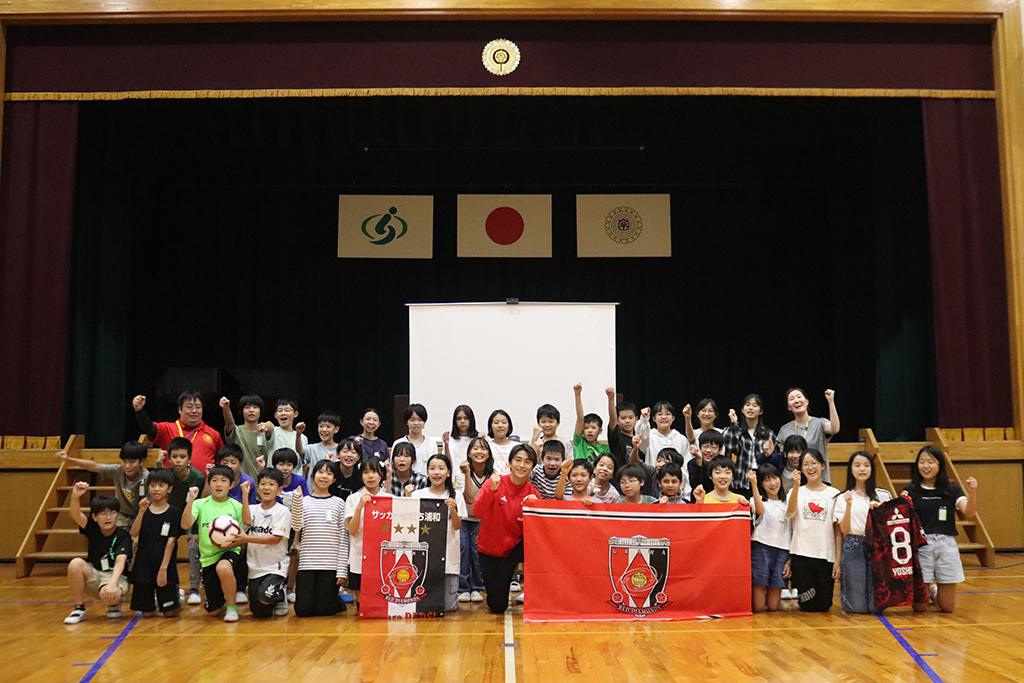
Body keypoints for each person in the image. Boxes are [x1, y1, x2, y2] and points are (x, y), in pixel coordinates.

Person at [902, 445, 979, 613]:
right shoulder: (910, 490)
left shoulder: (952, 490)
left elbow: (969, 512)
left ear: (940, 465)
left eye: (931, 462)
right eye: (921, 462)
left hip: (946, 544)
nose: (925, 466)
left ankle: (934, 591)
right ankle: (927, 590)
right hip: (921, 546)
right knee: (919, 607)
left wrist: (972, 493)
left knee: (947, 607)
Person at [475, 443, 540, 614]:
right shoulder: (494, 483)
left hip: (513, 549)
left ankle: (535, 592)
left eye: (527, 462)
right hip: (489, 549)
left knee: (542, 547)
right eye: (518, 460)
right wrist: (492, 491)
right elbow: (476, 511)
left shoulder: (532, 492)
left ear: (532, 467)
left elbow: (538, 531)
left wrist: (534, 508)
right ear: (509, 463)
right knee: (497, 606)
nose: (521, 465)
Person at [181, 466, 247, 621]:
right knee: (214, 612)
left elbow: (242, 535)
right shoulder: (200, 504)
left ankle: (232, 607)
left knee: (223, 567)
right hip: (208, 557)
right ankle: (223, 597)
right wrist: (191, 499)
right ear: (209, 483)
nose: (218, 484)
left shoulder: (236, 506)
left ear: (231, 485)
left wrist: (227, 544)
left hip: (230, 552)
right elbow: (185, 524)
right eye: (214, 481)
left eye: (223, 481)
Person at [63, 483, 132, 623]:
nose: (108, 517)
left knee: (108, 594)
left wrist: (112, 583)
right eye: (103, 514)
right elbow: (76, 515)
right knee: (75, 564)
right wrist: (75, 496)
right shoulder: (92, 528)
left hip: (116, 576)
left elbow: (120, 561)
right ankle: (79, 608)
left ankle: (114, 604)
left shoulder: (123, 535)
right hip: (95, 573)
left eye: (112, 513)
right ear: (94, 517)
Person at [785, 449, 842, 612]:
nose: (811, 468)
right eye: (806, 464)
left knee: (824, 606)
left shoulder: (834, 494)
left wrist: (838, 560)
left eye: (814, 463)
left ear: (822, 466)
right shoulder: (796, 491)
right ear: (801, 470)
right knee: (807, 605)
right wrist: (796, 486)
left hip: (825, 555)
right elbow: (790, 512)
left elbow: (838, 530)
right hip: (802, 554)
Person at [836, 451, 892, 614]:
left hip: (878, 545)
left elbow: (890, 527)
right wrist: (848, 505)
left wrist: (878, 513)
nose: (862, 469)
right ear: (851, 469)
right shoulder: (843, 496)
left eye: (866, 465)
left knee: (877, 607)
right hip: (853, 545)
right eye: (857, 465)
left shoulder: (883, 495)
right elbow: (844, 530)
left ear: (872, 469)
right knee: (857, 608)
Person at [234, 469, 293, 618]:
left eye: (271, 484)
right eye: (263, 484)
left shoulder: (283, 511)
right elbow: (247, 521)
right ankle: (274, 596)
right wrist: (245, 495)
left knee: (265, 597)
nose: (266, 488)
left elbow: (275, 539)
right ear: (258, 488)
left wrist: (246, 539)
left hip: (275, 567)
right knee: (260, 613)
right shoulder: (253, 509)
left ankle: (280, 595)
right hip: (255, 568)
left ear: (279, 490)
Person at [412, 453, 466, 612]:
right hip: (423, 557)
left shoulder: (456, 496)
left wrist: (453, 510)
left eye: (441, 468)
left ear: (448, 472)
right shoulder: (418, 495)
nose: (437, 472)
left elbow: (457, 526)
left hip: (448, 556)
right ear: (427, 472)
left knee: (448, 608)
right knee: (422, 605)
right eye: (432, 468)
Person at [295, 460, 349, 617]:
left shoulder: (339, 503)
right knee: (303, 611)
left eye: (329, 473)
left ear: (334, 480)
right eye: (321, 472)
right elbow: (296, 526)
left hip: (330, 565)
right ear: (312, 476)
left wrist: (341, 570)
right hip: (307, 564)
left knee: (324, 611)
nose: (324, 476)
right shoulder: (303, 501)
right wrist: (297, 501)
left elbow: (343, 539)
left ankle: (335, 599)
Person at [157, 436, 207, 604]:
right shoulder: (166, 474)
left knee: (194, 548)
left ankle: (194, 588)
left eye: (182, 457)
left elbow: (199, 504)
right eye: (174, 457)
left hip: (190, 517)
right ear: (169, 458)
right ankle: (172, 586)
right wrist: (158, 462)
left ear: (189, 459)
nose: (178, 460)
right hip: (171, 517)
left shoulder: (198, 478)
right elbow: (156, 481)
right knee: (165, 546)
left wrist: (193, 532)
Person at [129, 468, 184, 618]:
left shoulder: (175, 512)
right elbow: (133, 533)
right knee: (146, 613)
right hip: (144, 564)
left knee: (170, 613)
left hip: (165, 563)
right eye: (153, 485)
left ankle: (176, 598)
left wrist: (163, 569)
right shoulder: (142, 509)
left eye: (161, 485)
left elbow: (171, 541)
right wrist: (141, 511)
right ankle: (153, 598)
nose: (156, 489)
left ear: (169, 489)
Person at [57, 442, 148, 528]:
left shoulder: (147, 478)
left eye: (132, 462)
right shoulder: (117, 470)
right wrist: (69, 459)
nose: (127, 466)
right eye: (124, 461)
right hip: (122, 516)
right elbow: (94, 466)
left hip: (142, 516)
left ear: (141, 462)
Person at [133, 391, 223, 473]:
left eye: (198, 407)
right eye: (189, 407)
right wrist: (139, 411)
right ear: (180, 409)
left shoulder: (214, 434)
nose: (194, 411)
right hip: (172, 486)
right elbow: (149, 429)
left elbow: (222, 460)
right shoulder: (168, 428)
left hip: (205, 488)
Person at [345, 459, 392, 605]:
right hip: (360, 554)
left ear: (381, 475)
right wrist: (360, 507)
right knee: (362, 606)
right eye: (366, 472)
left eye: (374, 472)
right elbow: (352, 530)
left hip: (383, 557)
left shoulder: (391, 499)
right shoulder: (353, 499)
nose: (370, 476)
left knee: (382, 602)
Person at [749, 464, 792, 612]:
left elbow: (793, 530)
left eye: (774, 478)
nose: (772, 483)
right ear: (761, 484)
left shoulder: (788, 503)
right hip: (761, 547)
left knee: (774, 607)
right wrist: (753, 485)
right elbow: (760, 511)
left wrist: (790, 559)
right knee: (759, 607)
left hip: (782, 550)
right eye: (766, 480)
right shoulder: (757, 499)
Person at [776, 388, 841, 485]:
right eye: (792, 399)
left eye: (799, 397)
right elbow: (781, 457)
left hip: (819, 479)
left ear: (806, 401)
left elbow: (835, 429)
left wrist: (831, 401)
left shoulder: (819, 423)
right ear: (789, 407)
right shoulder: (784, 429)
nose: (796, 400)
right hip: (792, 481)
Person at [458, 436, 492, 603]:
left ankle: (478, 587)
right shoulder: (461, 472)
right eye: (475, 448)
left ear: (488, 454)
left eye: (483, 448)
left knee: (477, 550)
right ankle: (463, 587)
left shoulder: (494, 475)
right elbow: (469, 498)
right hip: (464, 518)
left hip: (485, 520)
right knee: (464, 548)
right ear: (469, 453)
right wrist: (467, 474)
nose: (479, 451)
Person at [722, 394, 776, 496]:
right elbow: (729, 448)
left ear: (761, 411)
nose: (750, 408)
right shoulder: (733, 430)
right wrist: (733, 424)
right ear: (742, 410)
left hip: (761, 481)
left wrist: (768, 455)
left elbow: (774, 461)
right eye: (747, 405)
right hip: (739, 481)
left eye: (755, 405)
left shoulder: (768, 434)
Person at [220, 394, 269, 480]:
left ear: (260, 411)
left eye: (255, 407)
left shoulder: (266, 432)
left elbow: (272, 427)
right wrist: (226, 408)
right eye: (247, 407)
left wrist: (267, 425)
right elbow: (229, 422)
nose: (251, 410)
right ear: (241, 411)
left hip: (261, 485)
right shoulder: (237, 431)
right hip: (238, 483)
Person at [636, 401, 689, 469]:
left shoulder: (681, 439)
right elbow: (642, 441)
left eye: (667, 414)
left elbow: (686, 463)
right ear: (654, 418)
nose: (664, 417)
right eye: (660, 414)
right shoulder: (649, 436)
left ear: (673, 418)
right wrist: (644, 419)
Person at [391, 403, 437, 477]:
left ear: (424, 422)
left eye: (420, 420)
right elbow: (393, 466)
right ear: (407, 422)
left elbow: (434, 466)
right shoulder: (398, 443)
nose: (416, 423)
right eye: (412, 420)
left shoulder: (431, 444)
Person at [259, 398, 309, 465]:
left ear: (295, 414)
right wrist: (265, 425)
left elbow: (304, 462)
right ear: (276, 415)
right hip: (274, 474)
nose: (283, 413)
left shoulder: (303, 438)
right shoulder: (274, 432)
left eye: (287, 410)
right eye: (280, 411)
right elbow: (270, 426)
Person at [572, 383, 611, 464]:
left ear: (600, 431)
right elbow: (580, 418)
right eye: (586, 428)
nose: (589, 431)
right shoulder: (580, 442)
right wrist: (577, 394)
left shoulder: (605, 449)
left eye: (593, 428)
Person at [442, 404, 479, 490]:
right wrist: (446, 445)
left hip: (474, 480)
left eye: (466, 418)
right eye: (459, 419)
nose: (462, 421)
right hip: (455, 482)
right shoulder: (450, 441)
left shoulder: (477, 439)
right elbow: (448, 463)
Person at [296, 411, 341, 476]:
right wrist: (298, 434)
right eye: (321, 426)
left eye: (328, 426)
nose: (324, 429)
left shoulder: (341, 450)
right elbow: (300, 450)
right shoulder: (312, 448)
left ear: (336, 429)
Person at [605, 387, 639, 472]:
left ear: (636, 419)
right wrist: (611, 398)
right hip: (619, 478)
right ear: (618, 420)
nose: (627, 421)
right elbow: (612, 418)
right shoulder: (616, 437)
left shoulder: (639, 439)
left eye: (631, 418)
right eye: (623, 418)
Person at [687, 430, 723, 500]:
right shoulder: (693, 463)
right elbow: (695, 485)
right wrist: (699, 460)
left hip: (717, 501)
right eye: (705, 446)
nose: (708, 450)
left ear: (720, 449)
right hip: (697, 502)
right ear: (700, 447)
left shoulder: (723, 464)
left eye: (713, 447)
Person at [486, 409, 516, 475]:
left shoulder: (517, 446)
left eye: (504, 422)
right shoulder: (486, 447)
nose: (500, 425)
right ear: (491, 426)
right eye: (496, 423)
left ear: (509, 425)